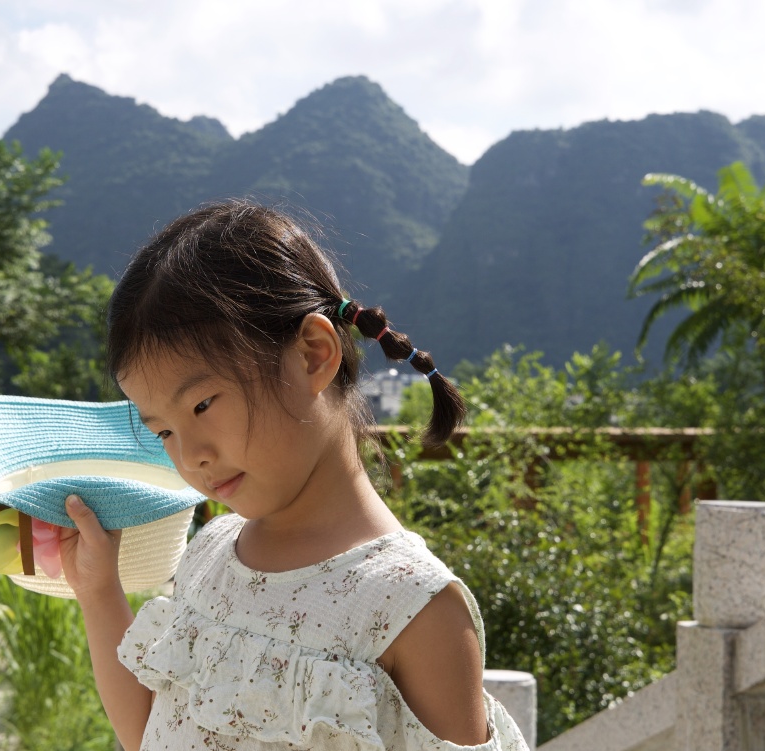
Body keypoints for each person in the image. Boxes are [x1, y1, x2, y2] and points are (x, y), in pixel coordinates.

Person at [56, 200, 528, 750]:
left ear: (313, 354)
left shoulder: (410, 607)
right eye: (163, 432)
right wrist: (97, 591)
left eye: (203, 405)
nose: (191, 456)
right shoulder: (210, 555)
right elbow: (151, 733)